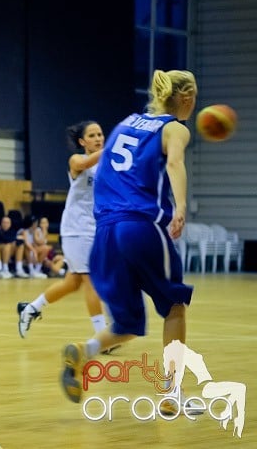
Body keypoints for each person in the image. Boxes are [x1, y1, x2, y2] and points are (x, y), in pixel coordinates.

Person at [59, 70, 197, 416]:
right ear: (186, 98)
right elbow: (177, 164)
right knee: (175, 307)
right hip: (140, 225)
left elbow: (104, 171)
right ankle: (171, 393)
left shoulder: (126, 124)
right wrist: (179, 206)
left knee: (129, 325)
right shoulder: (175, 127)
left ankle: (84, 350)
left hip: (105, 231)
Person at [17, 121, 106, 338]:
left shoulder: (107, 164)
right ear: (82, 141)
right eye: (92, 135)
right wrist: (114, 146)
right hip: (76, 230)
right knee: (91, 280)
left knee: (73, 282)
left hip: (94, 228)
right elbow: (86, 164)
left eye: (101, 134)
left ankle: (31, 308)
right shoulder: (77, 160)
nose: (98, 138)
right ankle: (102, 336)